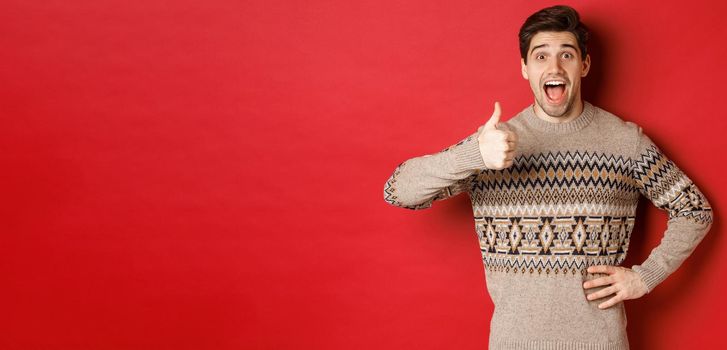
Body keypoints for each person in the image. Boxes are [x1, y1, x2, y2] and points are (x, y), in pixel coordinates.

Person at [382, 5, 713, 350]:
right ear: (525, 68)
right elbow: (398, 190)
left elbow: (694, 211)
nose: (554, 67)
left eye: (566, 55)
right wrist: (474, 155)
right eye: (541, 56)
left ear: (583, 65)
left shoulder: (625, 142)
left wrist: (646, 277)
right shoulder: (493, 144)